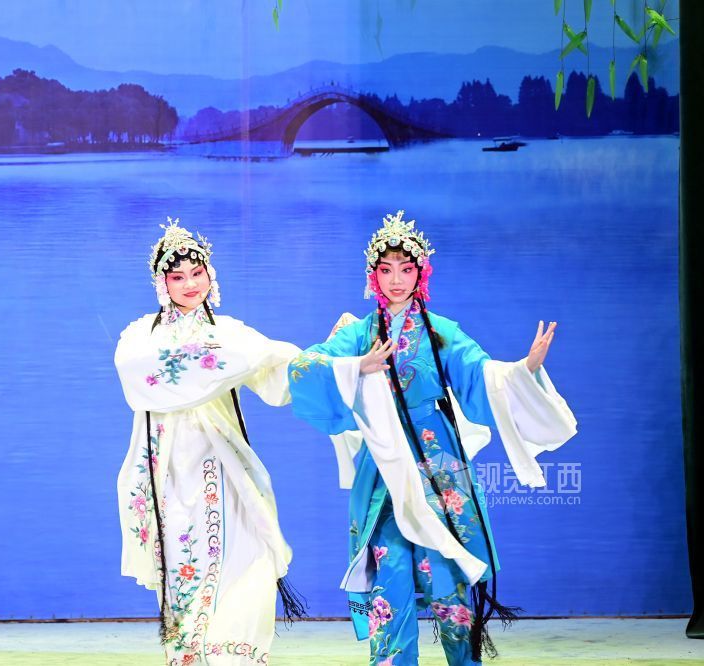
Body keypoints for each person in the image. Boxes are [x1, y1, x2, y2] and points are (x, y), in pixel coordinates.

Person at [288, 210, 577, 665]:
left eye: (406, 269)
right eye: (386, 270)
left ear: (420, 273)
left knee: (446, 578)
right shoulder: (359, 335)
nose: (396, 280)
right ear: (373, 275)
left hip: (437, 462)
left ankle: (464, 660)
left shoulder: (441, 332)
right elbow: (305, 367)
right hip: (384, 469)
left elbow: (481, 376)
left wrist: (525, 370)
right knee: (390, 576)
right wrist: (356, 366)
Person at [115, 218, 306, 665]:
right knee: (182, 566)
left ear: (210, 276)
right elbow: (141, 372)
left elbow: (277, 372)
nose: (189, 284)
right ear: (162, 284)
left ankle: (229, 654)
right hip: (167, 469)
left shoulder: (231, 333)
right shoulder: (140, 337)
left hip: (221, 464)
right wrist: (233, 358)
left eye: (196, 273)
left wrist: (330, 362)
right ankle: (186, 654)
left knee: (246, 556)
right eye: (177, 276)